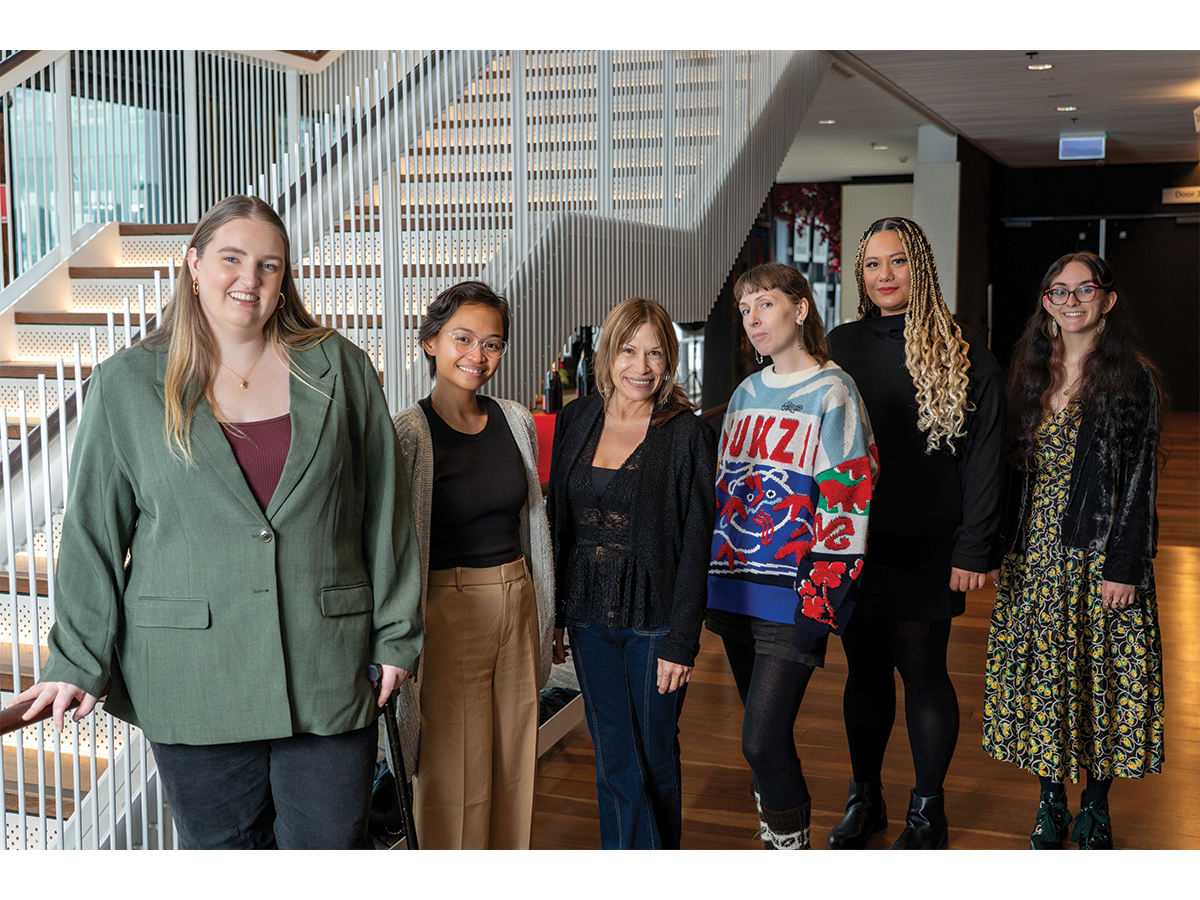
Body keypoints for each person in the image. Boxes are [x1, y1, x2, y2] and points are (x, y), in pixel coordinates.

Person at [9, 195, 422, 849]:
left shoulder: (337, 366)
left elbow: (385, 511)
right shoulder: (126, 383)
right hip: (190, 672)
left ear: (284, 278)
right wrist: (76, 659)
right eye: (232, 259)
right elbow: (93, 531)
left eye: (269, 265)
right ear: (194, 264)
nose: (249, 279)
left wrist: (397, 634)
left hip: (326, 660)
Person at [825, 217, 1004, 850]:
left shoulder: (963, 351)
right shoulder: (839, 346)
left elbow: (985, 458)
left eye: (896, 261)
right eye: (872, 265)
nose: (884, 275)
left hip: (928, 543)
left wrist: (975, 545)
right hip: (854, 543)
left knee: (923, 671)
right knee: (863, 673)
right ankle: (865, 798)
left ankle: (929, 811)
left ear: (920, 267)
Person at [982, 251, 1165, 850]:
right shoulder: (1030, 373)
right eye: (1058, 291)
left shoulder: (1130, 376)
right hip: (1034, 559)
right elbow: (1009, 470)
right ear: (1046, 303)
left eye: (1084, 290)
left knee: (1102, 683)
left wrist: (1127, 564)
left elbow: (1139, 481)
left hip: (1099, 556)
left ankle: (1096, 803)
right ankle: (1049, 801)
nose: (1071, 300)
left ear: (1107, 300)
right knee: (1048, 683)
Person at [707, 263, 877, 850]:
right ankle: (778, 836)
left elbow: (847, 504)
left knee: (761, 737)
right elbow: (727, 492)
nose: (753, 319)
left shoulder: (834, 392)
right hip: (734, 589)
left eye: (766, 305)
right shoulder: (745, 393)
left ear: (801, 309)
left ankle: (789, 849)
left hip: (793, 598)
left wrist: (821, 602)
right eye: (745, 308)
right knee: (765, 742)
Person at [546, 297, 716, 850]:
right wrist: (553, 615)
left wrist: (682, 641)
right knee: (613, 754)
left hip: (656, 623)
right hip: (589, 617)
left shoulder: (684, 433)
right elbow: (556, 523)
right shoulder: (577, 417)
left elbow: (697, 543)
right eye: (628, 350)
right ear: (607, 354)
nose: (641, 367)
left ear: (669, 360)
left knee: (655, 754)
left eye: (655, 353)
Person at [390, 281, 554, 850]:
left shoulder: (516, 420)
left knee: (514, 757)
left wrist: (545, 611)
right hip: (447, 609)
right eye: (463, 338)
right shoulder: (407, 433)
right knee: (452, 767)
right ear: (431, 341)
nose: (477, 356)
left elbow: (532, 527)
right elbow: (390, 544)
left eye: (492, 343)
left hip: (518, 599)